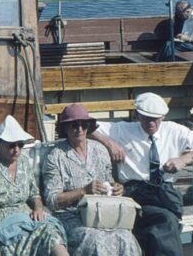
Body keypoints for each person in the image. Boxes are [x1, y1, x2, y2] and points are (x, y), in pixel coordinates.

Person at [90, 92, 193, 256]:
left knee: (167, 221)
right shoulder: (122, 129)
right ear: (137, 114)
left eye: (156, 118)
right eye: (146, 117)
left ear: (163, 116)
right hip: (134, 193)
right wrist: (110, 143)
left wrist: (184, 159)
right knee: (165, 221)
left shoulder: (174, 130)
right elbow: (85, 123)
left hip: (165, 194)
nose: (151, 123)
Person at [42, 104, 142, 256]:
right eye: (74, 125)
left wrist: (116, 188)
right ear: (65, 128)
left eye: (84, 124)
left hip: (103, 213)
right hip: (72, 216)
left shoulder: (100, 150)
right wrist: (83, 191)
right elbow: (52, 200)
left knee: (126, 238)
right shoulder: (55, 156)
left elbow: (108, 182)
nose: (79, 129)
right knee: (96, 240)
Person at [0, 115, 68, 256]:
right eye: (11, 145)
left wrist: (38, 208)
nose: (16, 149)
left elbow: (34, 194)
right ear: (0, 144)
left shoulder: (23, 163)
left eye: (20, 144)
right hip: (5, 225)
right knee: (37, 236)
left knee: (51, 231)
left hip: (27, 217)